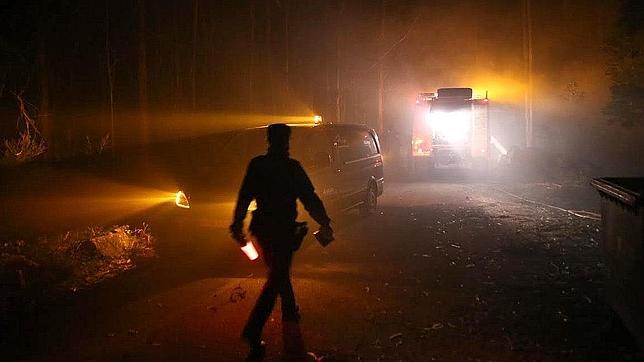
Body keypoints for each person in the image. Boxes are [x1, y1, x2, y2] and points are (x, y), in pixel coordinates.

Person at [230, 123, 334, 359]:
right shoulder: (292, 168)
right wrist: (324, 222)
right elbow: (309, 197)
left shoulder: (257, 165)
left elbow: (244, 197)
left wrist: (237, 225)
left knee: (280, 277)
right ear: (287, 141)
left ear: (269, 140)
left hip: (264, 231)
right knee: (278, 279)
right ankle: (255, 330)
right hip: (284, 232)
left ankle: (288, 329)